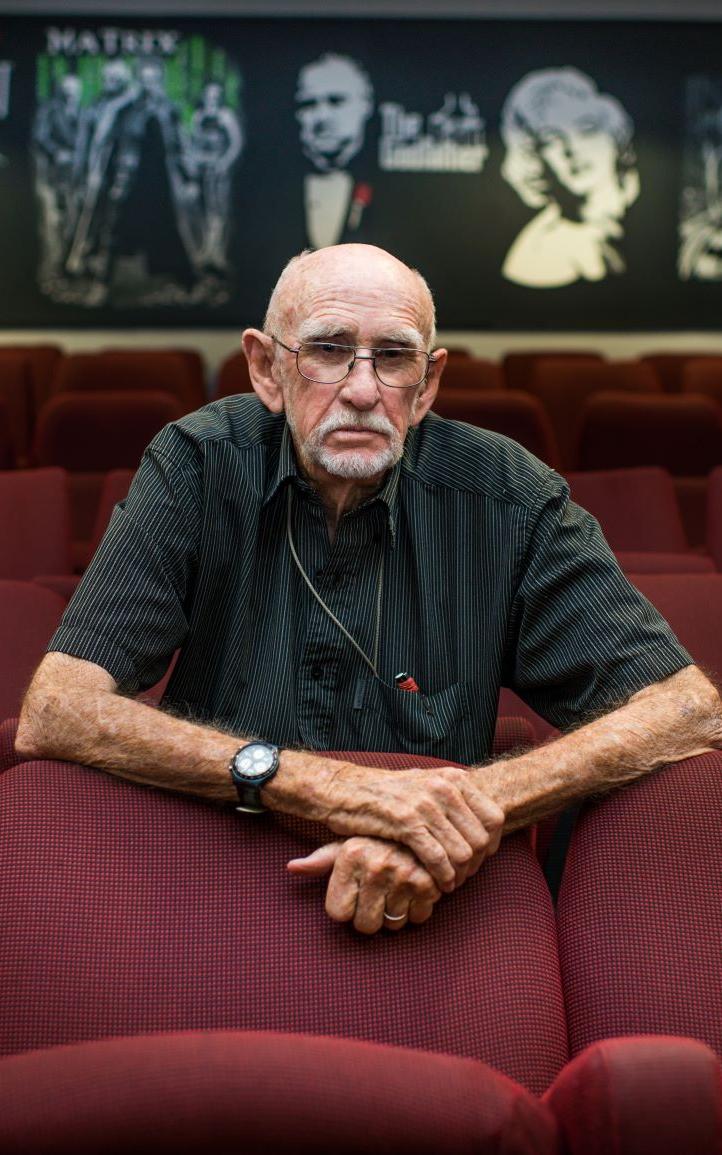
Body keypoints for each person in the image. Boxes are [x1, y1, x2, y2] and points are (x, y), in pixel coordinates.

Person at [17, 244, 721, 937]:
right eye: (328, 349)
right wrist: (335, 789)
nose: (362, 389)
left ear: (429, 383)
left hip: (431, 899)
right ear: (266, 368)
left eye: (393, 356)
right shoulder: (198, 464)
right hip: (203, 876)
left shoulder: (509, 498)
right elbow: (57, 709)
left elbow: (687, 708)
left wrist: (463, 807)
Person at [500, 67, 640, 287]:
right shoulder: (539, 252)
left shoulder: (641, 201)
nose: (572, 151)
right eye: (552, 140)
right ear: (535, 159)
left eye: (586, 129)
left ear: (612, 133)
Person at [295, 54, 374, 249]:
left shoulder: (395, 192)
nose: (322, 116)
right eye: (309, 104)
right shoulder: (267, 196)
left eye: (336, 101)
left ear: (366, 105)